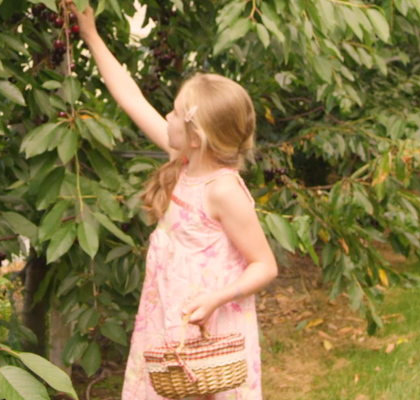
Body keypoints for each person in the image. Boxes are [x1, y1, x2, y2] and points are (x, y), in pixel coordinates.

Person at [71, 4, 279, 400]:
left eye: (175, 113)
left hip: (207, 329)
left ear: (196, 136)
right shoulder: (183, 162)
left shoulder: (222, 190)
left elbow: (264, 265)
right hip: (168, 318)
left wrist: (217, 298)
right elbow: (130, 98)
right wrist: (91, 36)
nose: (165, 115)